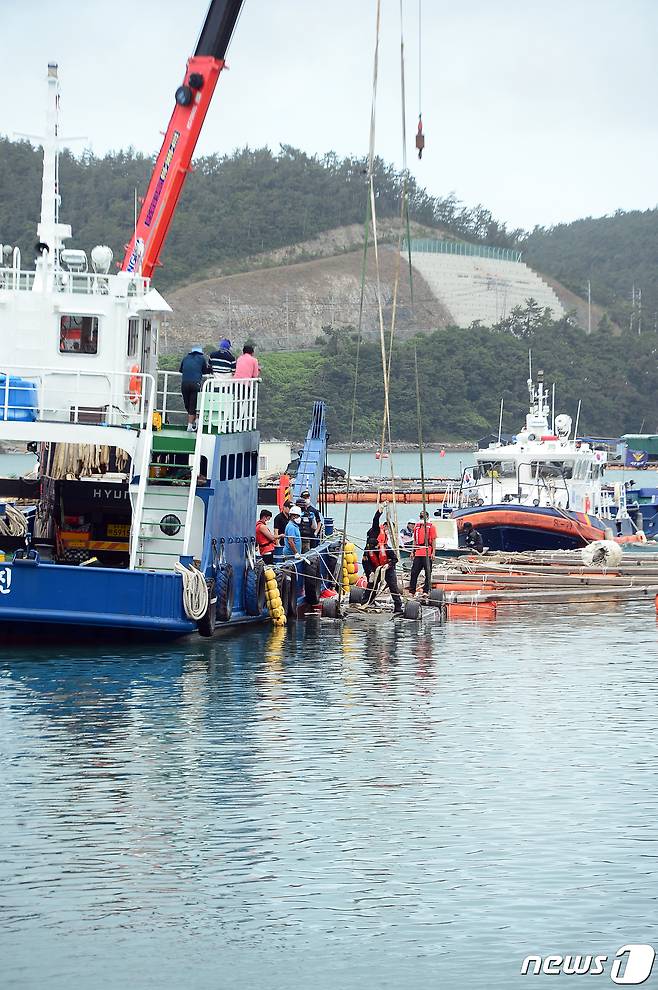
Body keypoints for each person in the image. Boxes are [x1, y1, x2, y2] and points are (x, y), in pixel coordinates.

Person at [361, 503, 403, 614]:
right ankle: (366, 603)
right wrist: (370, 572)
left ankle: (398, 607)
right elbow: (365, 563)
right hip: (375, 568)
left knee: (393, 586)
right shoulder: (368, 551)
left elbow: (395, 559)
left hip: (387, 568)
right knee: (372, 584)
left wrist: (388, 565)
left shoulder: (385, 548)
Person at [179, 345, 210, 432]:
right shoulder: (201, 359)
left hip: (184, 383)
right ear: (200, 352)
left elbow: (181, 370)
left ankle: (194, 422)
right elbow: (205, 371)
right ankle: (191, 425)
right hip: (195, 383)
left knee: (188, 405)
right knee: (194, 404)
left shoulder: (185, 358)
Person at [409, 510, 437, 595]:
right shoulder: (417, 527)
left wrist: (433, 553)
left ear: (427, 517)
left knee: (428, 573)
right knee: (414, 572)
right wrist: (412, 551)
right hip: (418, 552)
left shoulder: (431, 527)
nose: (421, 518)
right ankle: (412, 590)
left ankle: (426, 590)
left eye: (423, 516)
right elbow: (415, 540)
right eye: (421, 516)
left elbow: (433, 540)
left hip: (427, 552)